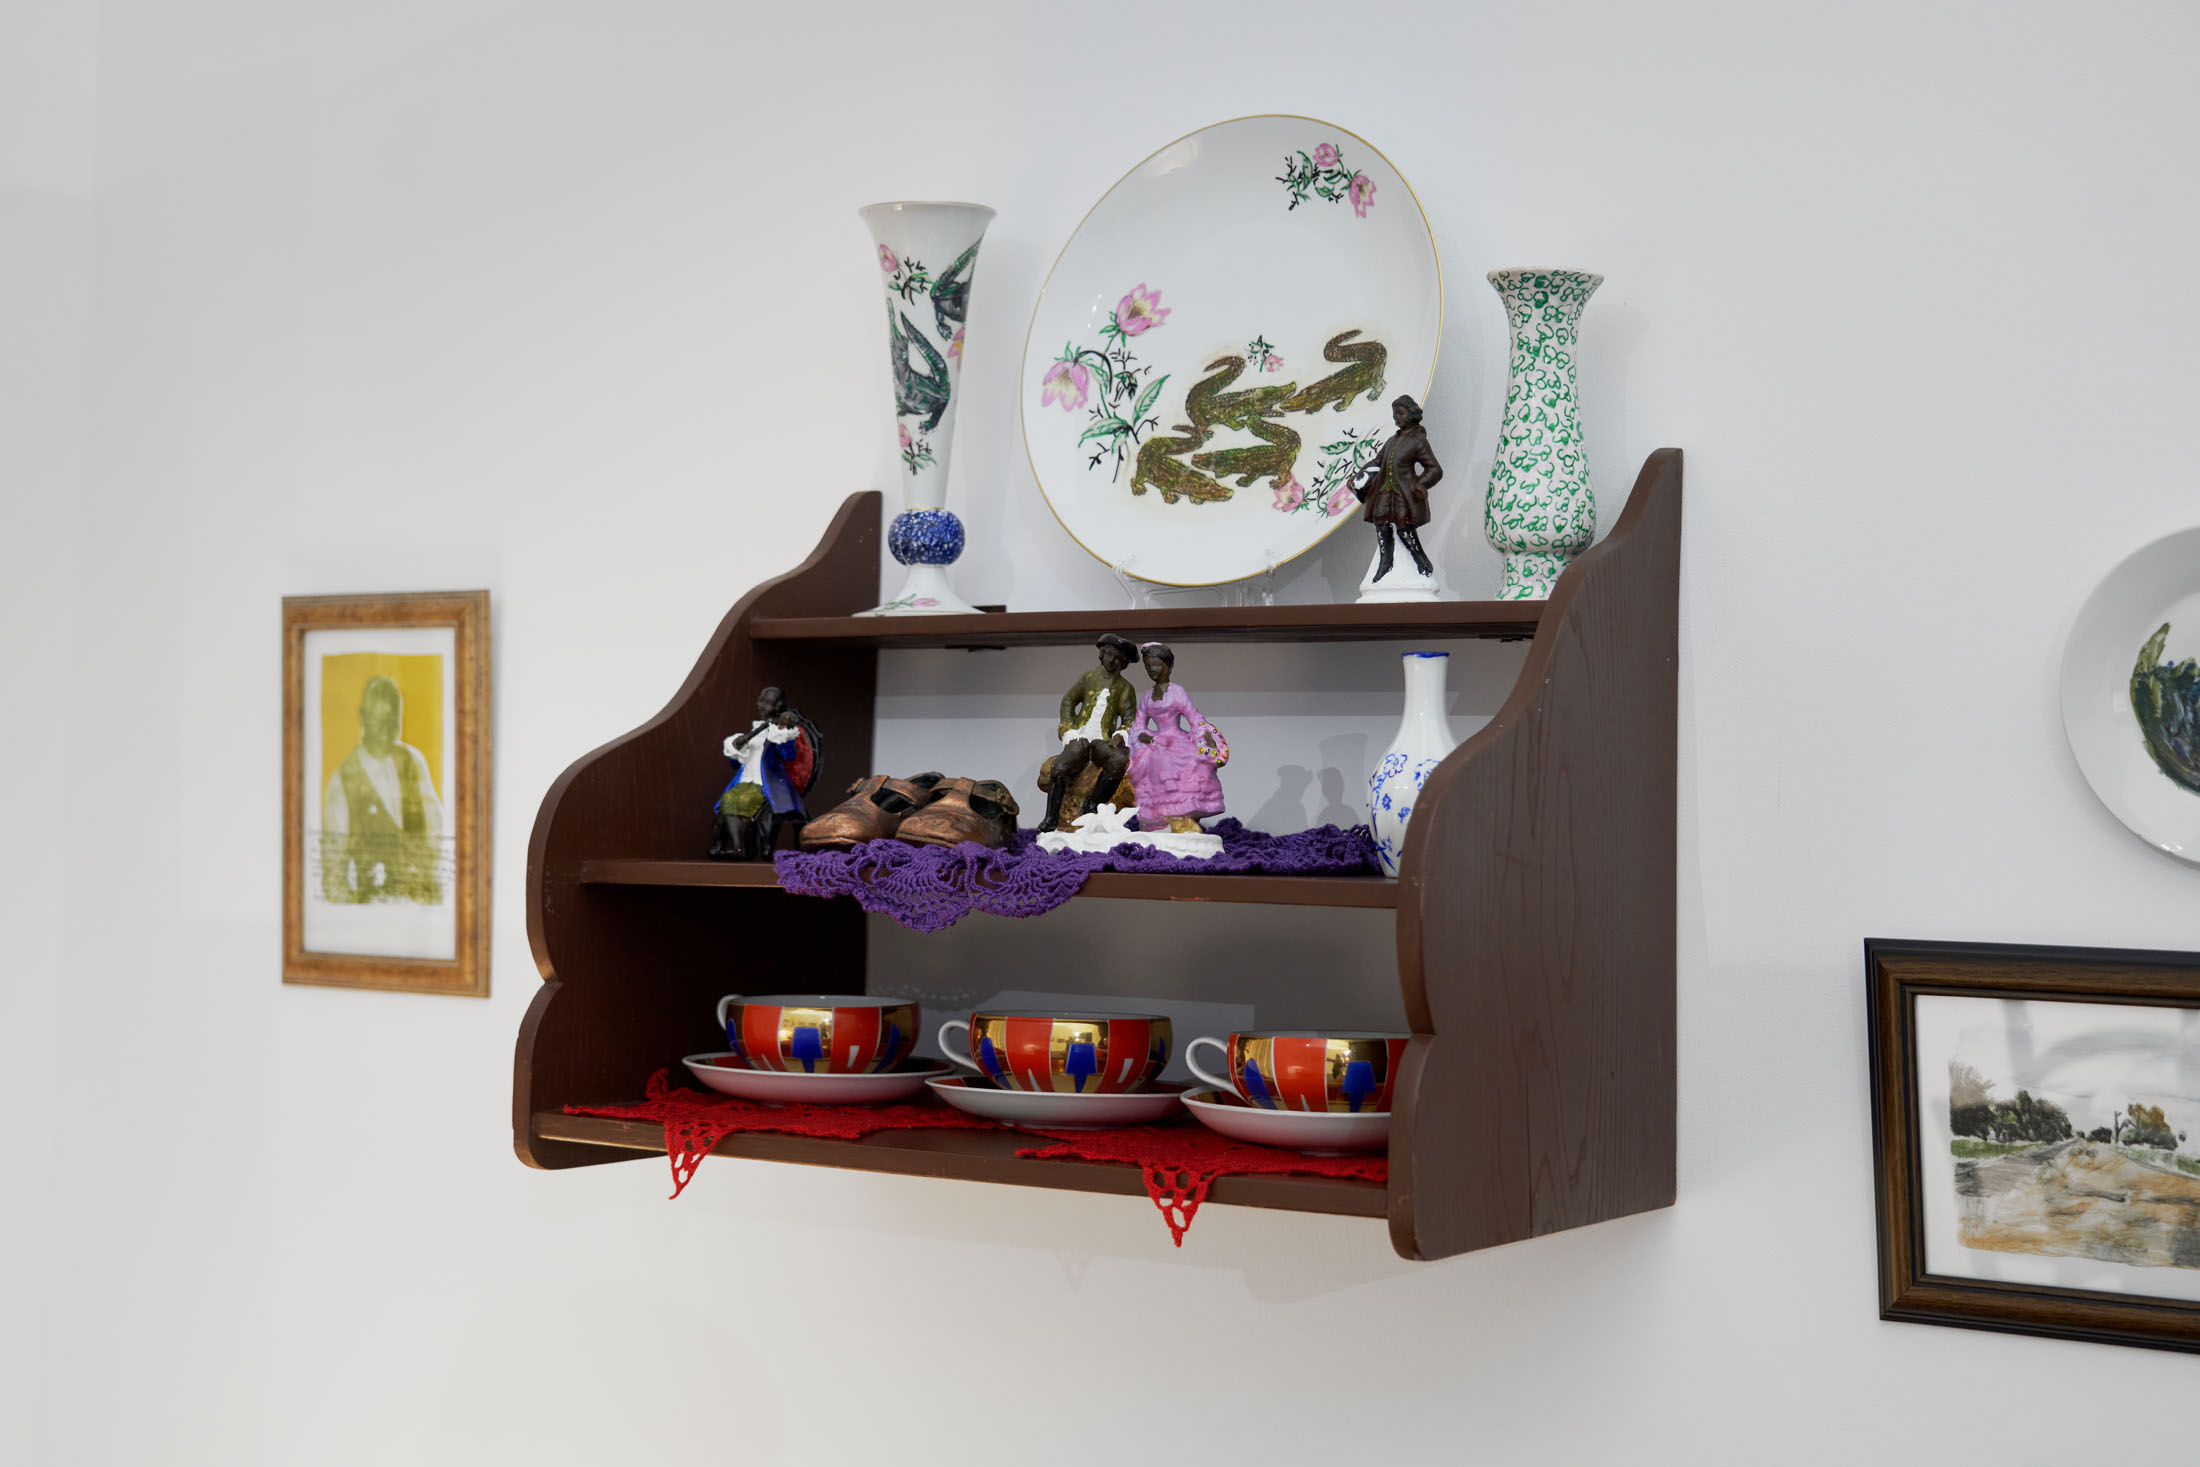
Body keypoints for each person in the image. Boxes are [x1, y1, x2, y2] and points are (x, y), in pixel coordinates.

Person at [321, 674, 445, 903]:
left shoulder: (414, 761)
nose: (386, 729)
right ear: (363, 718)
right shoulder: (342, 782)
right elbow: (333, 873)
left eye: (393, 719)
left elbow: (438, 829)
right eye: (379, 720)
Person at [1124, 642, 1227, 833]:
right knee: (1155, 761)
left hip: (1177, 739)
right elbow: (1138, 723)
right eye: (1148, 666)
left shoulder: (1177, 691)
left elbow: (1193, 716)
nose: (1152, 670)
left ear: (1168, 666)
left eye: (1156, 664)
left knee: (1190, 761)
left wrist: (1205, 733)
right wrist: (1143, 736)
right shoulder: (1147, 696)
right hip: (1156, 742)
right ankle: (1163, 818)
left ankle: (1184, 815)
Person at [1041, 632, 1139, 832]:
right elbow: (1068, 701)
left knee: (1118, 761)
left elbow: (1129, 719)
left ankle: (1093, 803)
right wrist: (1068, 730)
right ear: (1102, 654)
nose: (1112, 661)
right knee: (1058, 768)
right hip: (1080, 737)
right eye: (1109, 654)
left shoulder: (1125, 688)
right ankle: (1051, 818)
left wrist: (1121, 733)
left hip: (1102, 741)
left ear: (1124, 663)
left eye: (1119, 659)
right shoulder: (1088, 678)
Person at [711, 686, 821, 859]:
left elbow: (788, 755)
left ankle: (741, 848)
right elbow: (735, 763)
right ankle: (738, 847)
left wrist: (784, 732)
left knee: (738, 799)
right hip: (744, 780)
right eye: (760, 701)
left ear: (778, 706)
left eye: (767, 702)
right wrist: (738, 747)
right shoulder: (755, 730)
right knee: (727, 801)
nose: (761, 705)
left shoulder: (780, 731)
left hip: (767, 783)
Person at [1354, 394, 1443, 581]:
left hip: (1403, 493)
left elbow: (1435, 469)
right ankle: (1385, 563)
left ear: (1411, 414)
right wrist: (1360, 477)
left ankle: (1420, 559)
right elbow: (1377, 462)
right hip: (1384, 491)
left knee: (1404, 527)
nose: (1396, 418)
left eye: (1400, 413)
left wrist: (1420, 483)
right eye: (1395, 414)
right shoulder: (1391, 441)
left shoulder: (1418, 441)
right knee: (1381, 524)